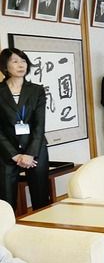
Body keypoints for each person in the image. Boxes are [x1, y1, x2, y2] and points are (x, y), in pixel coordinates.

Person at [0, 48, 50, 212]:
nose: (21, 65)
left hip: (35, 149)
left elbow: (39, 125)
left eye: (23, 61)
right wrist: (14, 154)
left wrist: (30, 153)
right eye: (15, 61)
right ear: (5, 66)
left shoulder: (36, 90)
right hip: (7, 151)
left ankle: (43, 227)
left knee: (41, 198)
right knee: (6, 202)